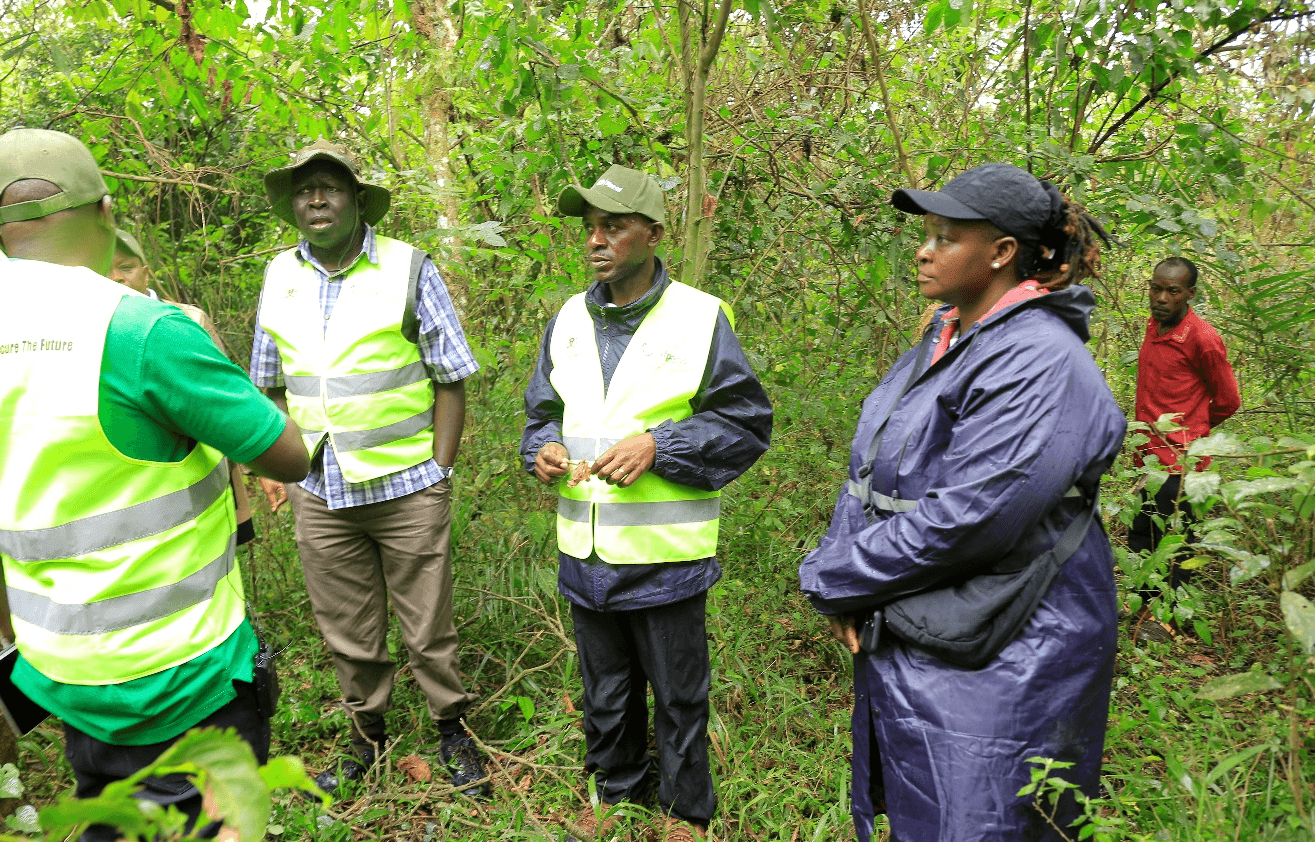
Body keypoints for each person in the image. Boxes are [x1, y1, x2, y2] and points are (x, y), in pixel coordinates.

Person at [0, 128, 310, 841]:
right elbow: (287, 456)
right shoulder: (143, 331)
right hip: (186, 677)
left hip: (65, 680)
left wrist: (20, 641)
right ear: (107, 211)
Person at [799, 163, 1126, 841]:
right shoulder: (946, 339)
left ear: (1002, 252)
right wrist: (844, 578)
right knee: (925, 815)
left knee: (981, 819)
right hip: (928, 630)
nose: (924, 249)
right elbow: (875, 475)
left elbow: (972, 516)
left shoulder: (1039, 359)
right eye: (927, 234)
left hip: (1008, 654)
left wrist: (831, 578)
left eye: (947, 236)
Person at [521, 165, 772, 842]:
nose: (597, 240)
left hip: (666, 557)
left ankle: (685, 812)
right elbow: (540, 414)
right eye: (590, 228)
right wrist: (541, 449)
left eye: (614, 226)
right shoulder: (569, 319)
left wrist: (660, 446)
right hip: (586, 550)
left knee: (679, 693)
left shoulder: (700, 316)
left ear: (654, 234)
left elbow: (746, 424)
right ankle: (616, 796)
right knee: (605, 691)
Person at [251, 138, 487, 796]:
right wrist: (279, 466)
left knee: (427, 624)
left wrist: (440, 471)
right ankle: (365, 741)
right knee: (345, 627)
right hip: (320, 489)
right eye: (304, 190)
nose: (316, 198)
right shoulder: (279, 275)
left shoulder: (409, 268)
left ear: (358, 199)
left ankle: (452, 732)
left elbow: (451, 378)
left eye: (329, 186)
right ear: (293, 205)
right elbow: (266, 384)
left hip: (407, 484)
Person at [108, 229, 257, 545]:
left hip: (209, 470)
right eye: (107, 269)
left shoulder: (188, 318)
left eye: (127, 267)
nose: (117, 277)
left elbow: (228, 397)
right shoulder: (91, 329)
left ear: (146, 272)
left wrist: (252, 464)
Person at [1129, 256, 1240, 592]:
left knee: (1175, 545)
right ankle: (1143, 612)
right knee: (1141, 538)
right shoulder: (1153, 325)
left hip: (1181, 465)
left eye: (1172, 291)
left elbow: (1228, 400)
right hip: (1146, 461)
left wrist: (1194, 432)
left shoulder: (1203, 339)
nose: (1162, 298)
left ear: (1190, 293)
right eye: (1156, 289)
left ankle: (1169, 621)